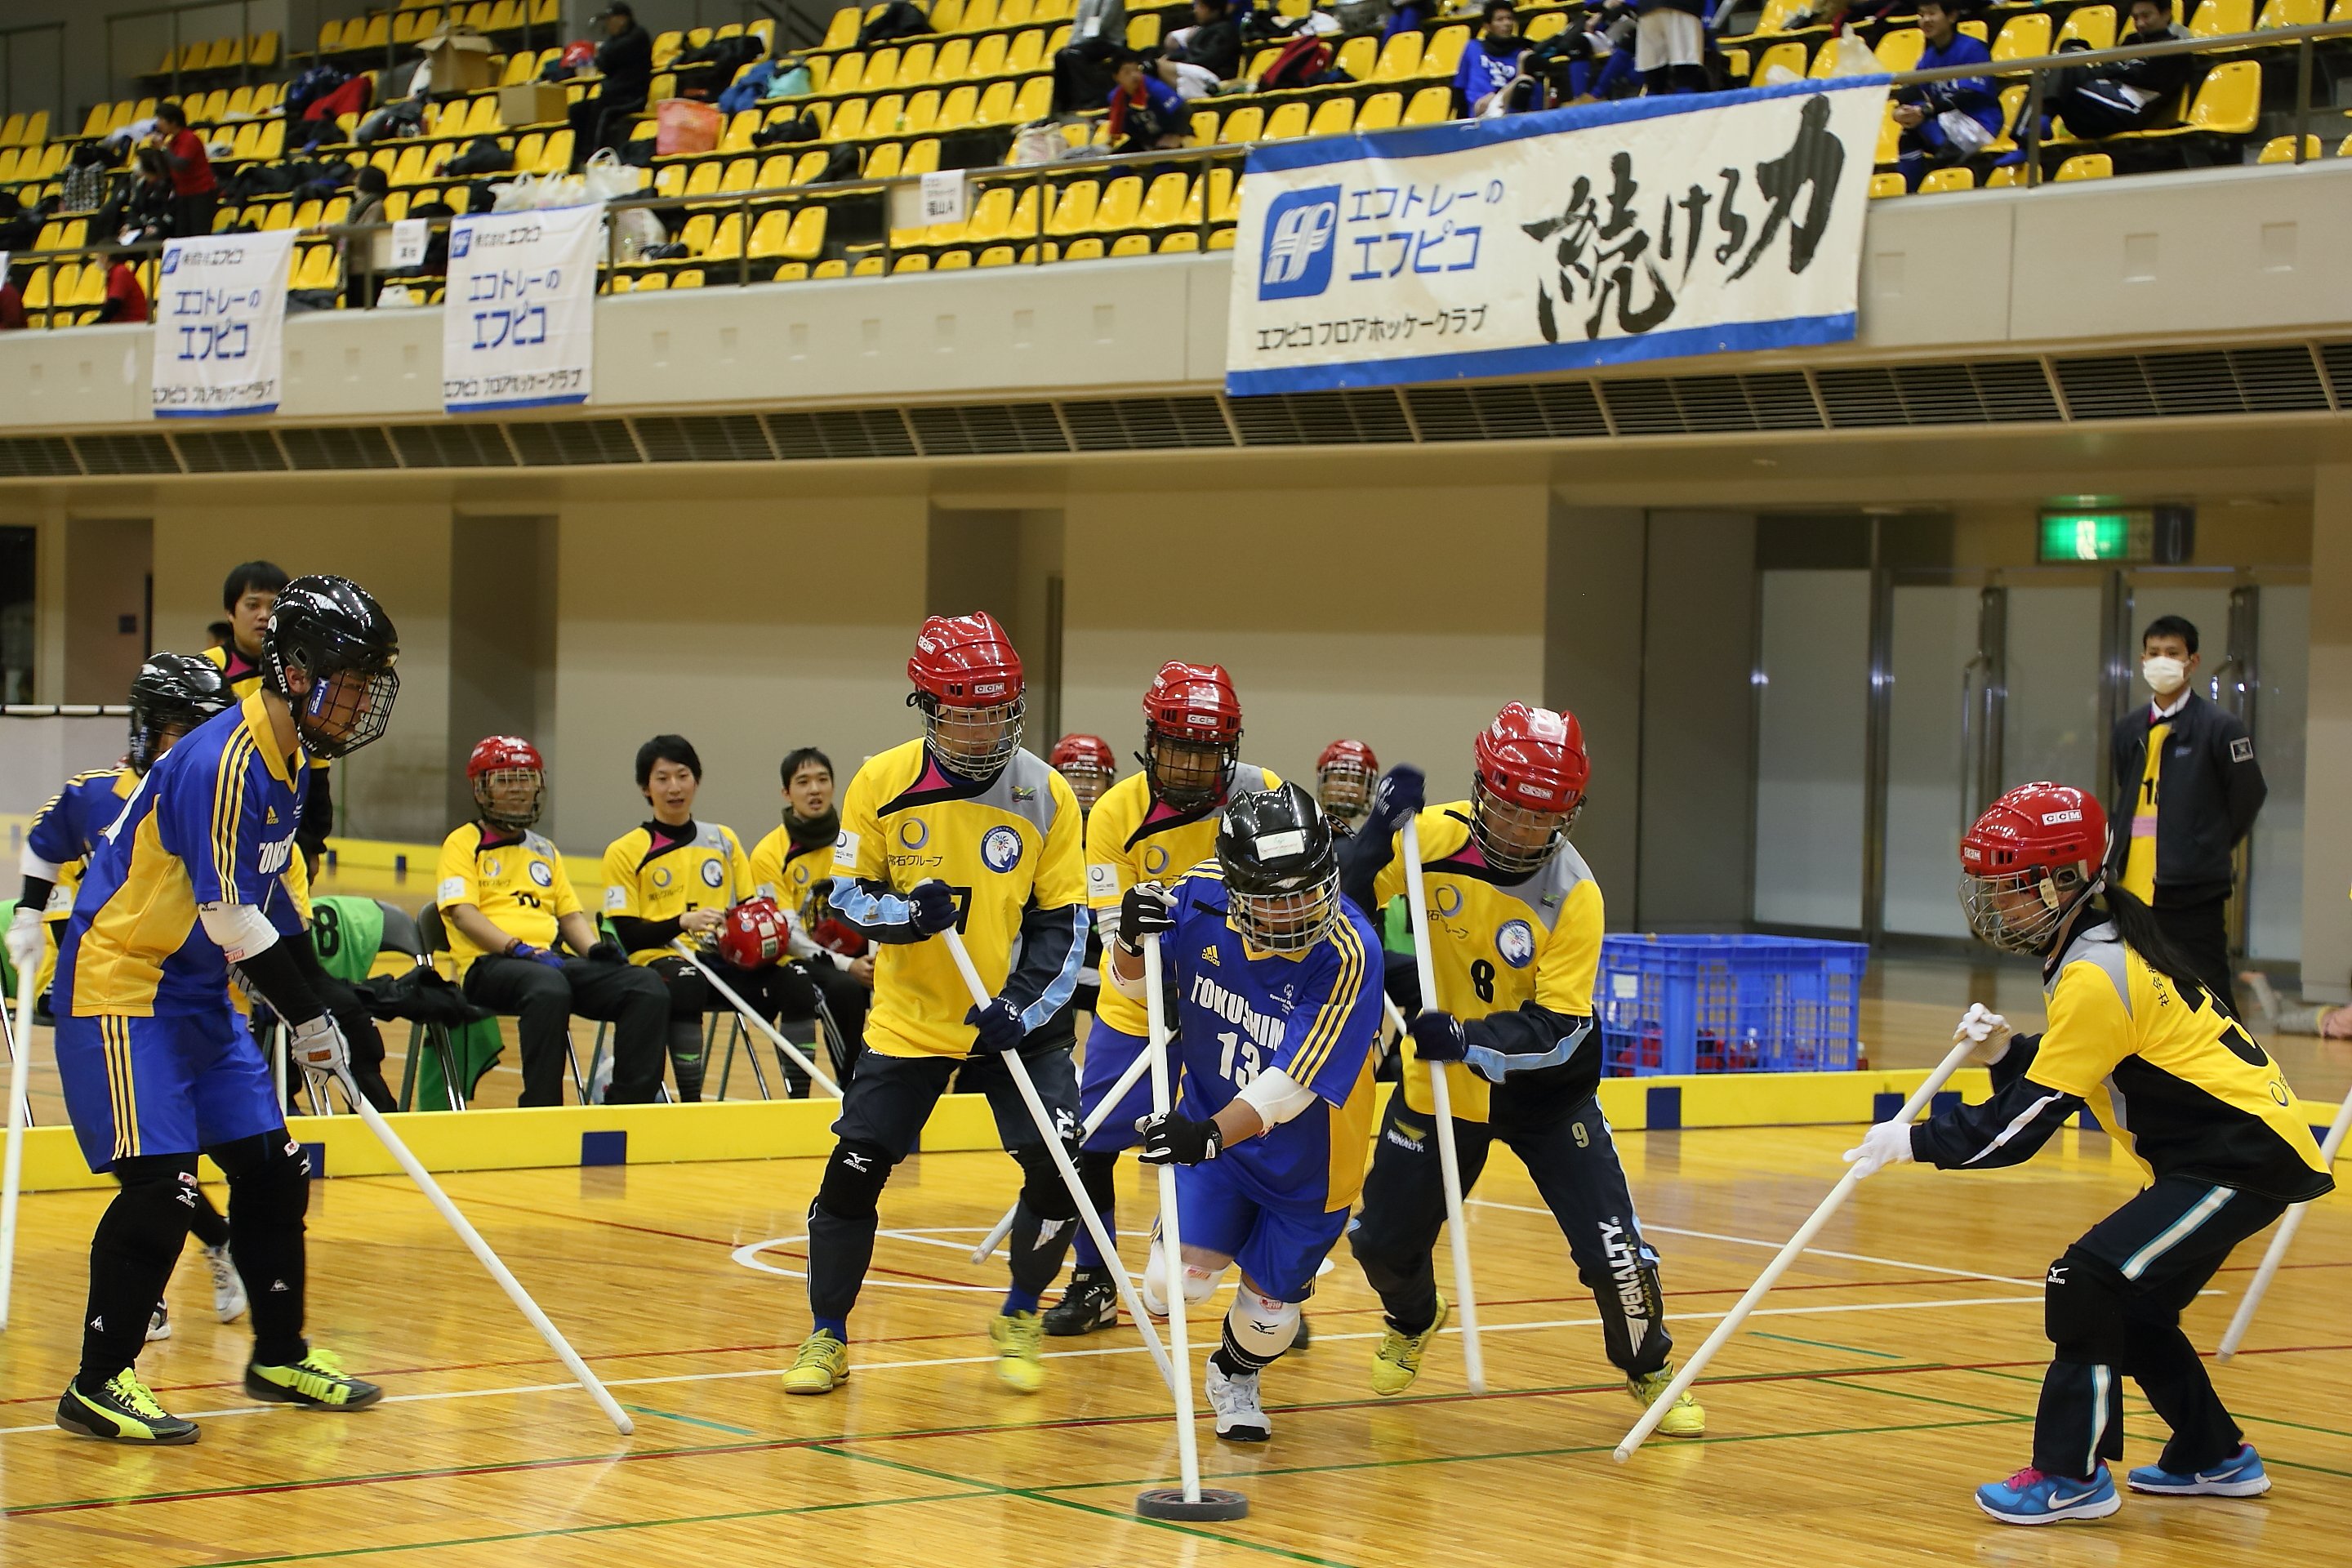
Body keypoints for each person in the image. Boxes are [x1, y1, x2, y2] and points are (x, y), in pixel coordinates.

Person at [1844, 781, 2330, 1525]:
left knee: (2084, 1280)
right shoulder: (2096, 948)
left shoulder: (2096, 971)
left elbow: (2021, 1131)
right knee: (2131, 1308)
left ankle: (2070, 1475)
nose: (1996, 903)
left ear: (2064, 881)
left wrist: (1913, 1141)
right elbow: (2077, 1069)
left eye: (2010, 887)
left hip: (2239, 1160)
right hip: (2224, 1156)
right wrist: (2010, 1052)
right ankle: (2214, 1455)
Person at [48, 575, 399, 1444]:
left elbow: (271, 896)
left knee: (275, 1171)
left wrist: (328, 1009)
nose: (358, 703)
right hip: (123, 986)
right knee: (163, 1191)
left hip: (199, 991)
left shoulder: (294, 759)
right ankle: (98, 1381)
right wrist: (306, 1019)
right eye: (347, 681)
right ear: (293, 670)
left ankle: (279, 1356)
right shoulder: (225, 758)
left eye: (367, 686)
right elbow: (231, 915)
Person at [1342, 703, 1705, 1436]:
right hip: (1441, 1087)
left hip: (1548, 1097)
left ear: (1567, 815)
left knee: (1617, 1257)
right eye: (1506, 810)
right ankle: (1415, 1318)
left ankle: (1648, 1366)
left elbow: (1560, 1028)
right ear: (1482, 790)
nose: (1518, 833)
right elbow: (1342, 901)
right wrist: (1377, 830)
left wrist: (1468, 1038)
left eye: (1539, 819)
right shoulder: (1429, 839)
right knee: (1381, 1243)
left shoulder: (1575, 895)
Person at [784, 612, 1089, 1397]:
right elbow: (847, 897)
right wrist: (906, 918)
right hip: (910, 1020)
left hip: (1016, 1025)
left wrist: (1020, 1008)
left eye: (997, 709)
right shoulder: (880, 781)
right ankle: (828, 1335)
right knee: (853, 1173)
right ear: (928, 706)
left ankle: (1021, 1311)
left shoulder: (1047, 794)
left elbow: (1064, 924)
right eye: (962, 710)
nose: (982, 727)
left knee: (1060, 1171)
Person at [1113, 782, 1381, 1441]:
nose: (1292, 912)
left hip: (1310, 1166)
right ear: (1236, 889)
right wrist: (1127, 940)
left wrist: (1204, 1136)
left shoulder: (1350, 951)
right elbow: (1133, 986)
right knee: (1173, 1288)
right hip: (1220, 1147)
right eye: (1272, 897)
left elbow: (1291, 1087)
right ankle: (1178, 1244)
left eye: (1306, 890)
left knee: (1269, 1321)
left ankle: (1234, 1374)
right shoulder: (1197, 895)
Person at [10, 654, 247, 1344]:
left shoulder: (211, 800)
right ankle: (170, 1275)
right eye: (175, 731)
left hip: (185, 999)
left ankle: (193, 1256)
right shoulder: (93, 794)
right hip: (103, 996)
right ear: (144, 730)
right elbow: (41, 846)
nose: (188, 747)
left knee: (163, 1156)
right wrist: (28, 915)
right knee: (139, 1157)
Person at [1044, 664, 1281, 1338]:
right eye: (1177, 747)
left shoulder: (1261, 795)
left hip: (1236, 1005)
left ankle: (1270, 1288)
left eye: (1205, 751)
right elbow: (1114, 940)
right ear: (1152, 741)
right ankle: (1091, 1280)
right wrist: (1158, 979)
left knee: (1253, 1139)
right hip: (1138, 1004)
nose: (1188, 763)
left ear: (1227, 750)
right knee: (1090, 1141)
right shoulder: (1116, 812)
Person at [439, 736, 670, 1107]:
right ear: (481, 791)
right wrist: (518, 948)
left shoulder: (544, 850)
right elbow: (464, 915)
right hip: (488, 965)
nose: (517, 789)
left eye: (525, 778)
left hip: (549, 962)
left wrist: (595, 949)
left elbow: (569, 916)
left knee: (645, 986)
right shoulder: (463, 842)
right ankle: (541, 1108)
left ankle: (628, 1103)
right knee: (548, 987)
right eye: (504, 780)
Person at [600, 734, 781, 1102]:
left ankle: (804, 1100)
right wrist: (682, 922)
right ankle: (691, 1101)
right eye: (662, 778)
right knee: (687, 981)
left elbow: (748, 907)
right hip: (658, 959)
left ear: (696, 780)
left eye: (682, 776)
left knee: (792, 980)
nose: (674, 788)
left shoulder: (724, 840)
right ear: (645, 789)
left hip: (721, 959)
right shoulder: (624, 851)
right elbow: (626, 935)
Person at [2105, 615, 2264, 1017]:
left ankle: (2234, 1070)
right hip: (2132, 889)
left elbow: (2248, 795)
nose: (2162, 661)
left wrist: (2207, 843)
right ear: (2142, 660)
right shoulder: (2128, 729)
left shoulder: (2220, 728)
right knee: (2140, 991)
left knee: (2209, 990)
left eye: (2172, 653)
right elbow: (2129, 792)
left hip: (2192, 889)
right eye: (2154, 653)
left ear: (2192, 662)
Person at [747, 745, 875, 1092]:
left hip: (862, 954)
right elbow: (786, 933)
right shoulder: (769, 854)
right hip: (799, 960)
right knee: (845, 990)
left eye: (822, 780)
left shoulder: (856, 840)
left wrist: (876, 959)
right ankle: (852, 1088)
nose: (814, 790)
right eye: (803, 782)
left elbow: (879, 898)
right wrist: (848, 966)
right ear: (787, 793)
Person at [203, 562, 333, 875]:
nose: (264, 615)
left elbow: (316, 763)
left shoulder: (303, 674)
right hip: (224, 814)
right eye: (252, 605)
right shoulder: (206, 671)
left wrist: (312, 843)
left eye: (274, 606)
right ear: (230, 612)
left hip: (289, 820)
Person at [1045, 733, 1117, 1021]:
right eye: (1074, 776)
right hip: (1055, 956)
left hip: (1105, 957)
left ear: (1108, 784)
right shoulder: (1043, 833)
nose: (1084, 787)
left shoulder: (1118, 836)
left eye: (1093, 778)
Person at [1892, 0, 1999, 188]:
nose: (1926, 20)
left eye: (1932, 14)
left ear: (1952, 16)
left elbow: (1967, 94)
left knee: (1918, 122)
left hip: (1978, 122)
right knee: (1908, 133)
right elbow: (1911, 90)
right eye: (1921, 15)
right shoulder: (1929, 56)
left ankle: (1944, 148)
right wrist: (1899, 111)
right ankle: (1911, 194)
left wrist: (1926, 111)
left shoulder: (1973, 48)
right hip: (1948, 122)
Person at [568, 2, 654, 171]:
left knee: (602, 109)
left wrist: (603, 53)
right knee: (578, 109)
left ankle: (594, 155)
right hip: (613, 95)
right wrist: (603, 54)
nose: (608, 24)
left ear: (623, 19)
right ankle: (577, 156)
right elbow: (603, 62)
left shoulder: (638, 36)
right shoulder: (615, 41)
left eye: (611, 19)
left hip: (632, 96)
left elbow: (608, 55)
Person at [149, 101, 218, 239]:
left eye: (161, 120)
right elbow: (165, 171)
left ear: (173, 122)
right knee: (182, 236)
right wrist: (157, 151)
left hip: (201, 193)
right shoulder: (172, 142)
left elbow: (180, 165)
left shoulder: (189, 139)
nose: (158, 124)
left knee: (199, 236)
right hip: (183, 194)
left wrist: (163, 148)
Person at [1454, 2, 1536, 117]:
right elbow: (1460, 87)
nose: (1507, 23)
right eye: (1500, 20)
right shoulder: (1473, 47)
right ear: (1487, 26)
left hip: (1507, 108)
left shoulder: (1521, 51)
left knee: (1524, 81)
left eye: (1509, 18)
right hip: (1479, 110)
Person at [1107, 51, 1188, 153]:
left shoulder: (1155, 89)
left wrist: (1177, 136)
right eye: (1127, 72)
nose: (1134, 75)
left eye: (1136, 70)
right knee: (1116, 159)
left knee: (1161, 161)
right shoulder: (1116, 98)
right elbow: (1122, 126)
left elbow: (1183, 110)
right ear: (1116, 77)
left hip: (1173, 136)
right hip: (1147, 139)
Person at [1158, 0, 1243, 95]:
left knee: (1157, 66)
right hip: (1198, 74)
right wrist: (1171, 58)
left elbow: (1206, 60)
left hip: (1214, 80)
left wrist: (1174, 61)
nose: (1196, 10)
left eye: (1201, 7)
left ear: (1214, 10)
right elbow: (1192, 53)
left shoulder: (1225, 31)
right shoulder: (1205, 29)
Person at [1633, 0, 1709, 96]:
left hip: (1647, 9)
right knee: (1685, 71)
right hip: (1683, 7)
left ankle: (1656, 110)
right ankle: (1685, 110)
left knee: (1654, 78)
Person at [1314, 738, 1379, 834]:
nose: (1348, 789)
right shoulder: (1301, 837)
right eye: (1341, 779)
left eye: (1359, 781)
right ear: (1324, 781)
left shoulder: (1370, 845)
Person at [98, 256, 149, 323]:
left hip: (133, 325)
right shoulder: (114, 272)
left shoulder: (120, 272)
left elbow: (113, 304)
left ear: (106, 257)